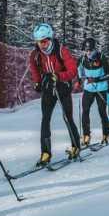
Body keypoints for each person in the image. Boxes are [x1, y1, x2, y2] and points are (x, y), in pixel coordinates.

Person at [28, 23, 81, 165]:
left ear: (50, 39)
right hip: (48, 88)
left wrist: (59, 76)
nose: (43, 45)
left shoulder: (61, 51)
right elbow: (34, 69)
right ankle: (45, 153)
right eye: (40, 42)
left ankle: (76, 146)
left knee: (67, 117)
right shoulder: (35, 55)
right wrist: (38, 82)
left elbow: (73, 70)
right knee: (45, 119)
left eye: (45, 41)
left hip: (63, 87)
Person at [77, 37, 109, 146]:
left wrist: (96, 79)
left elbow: (108, 74)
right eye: (86, 50)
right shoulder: (83, 59)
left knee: (102, 112)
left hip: (101, 88)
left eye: (90, 50)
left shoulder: (101, 57)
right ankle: (86, 135)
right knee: (85, 111)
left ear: (94, 49)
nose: (88, 53)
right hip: (88, 89)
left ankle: (106, 134)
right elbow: (79, 70)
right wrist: (80, 79)